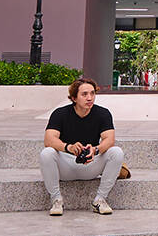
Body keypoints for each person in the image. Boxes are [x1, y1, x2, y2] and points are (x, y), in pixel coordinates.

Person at [40, 77, 125, 215]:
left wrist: (95, 150)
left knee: (116, 152)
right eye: (84, 94)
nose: (89, 98)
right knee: (47, 153)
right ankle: (56, 200)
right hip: (66, 166)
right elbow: (49, 140)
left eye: (92, 93)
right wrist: (69, 147)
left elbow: (109, 140)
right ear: (74, 98)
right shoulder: (60, 114)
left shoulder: (103, 113)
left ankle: (100, 200)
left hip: (91, 164)